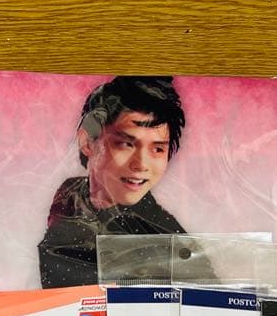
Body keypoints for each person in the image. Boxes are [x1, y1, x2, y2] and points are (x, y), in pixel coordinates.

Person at [37, 76, 186, 288]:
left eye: (158, 149)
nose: (141, 164)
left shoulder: (164, 239)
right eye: (126, 144)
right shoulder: (72, 193)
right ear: (88, 142)